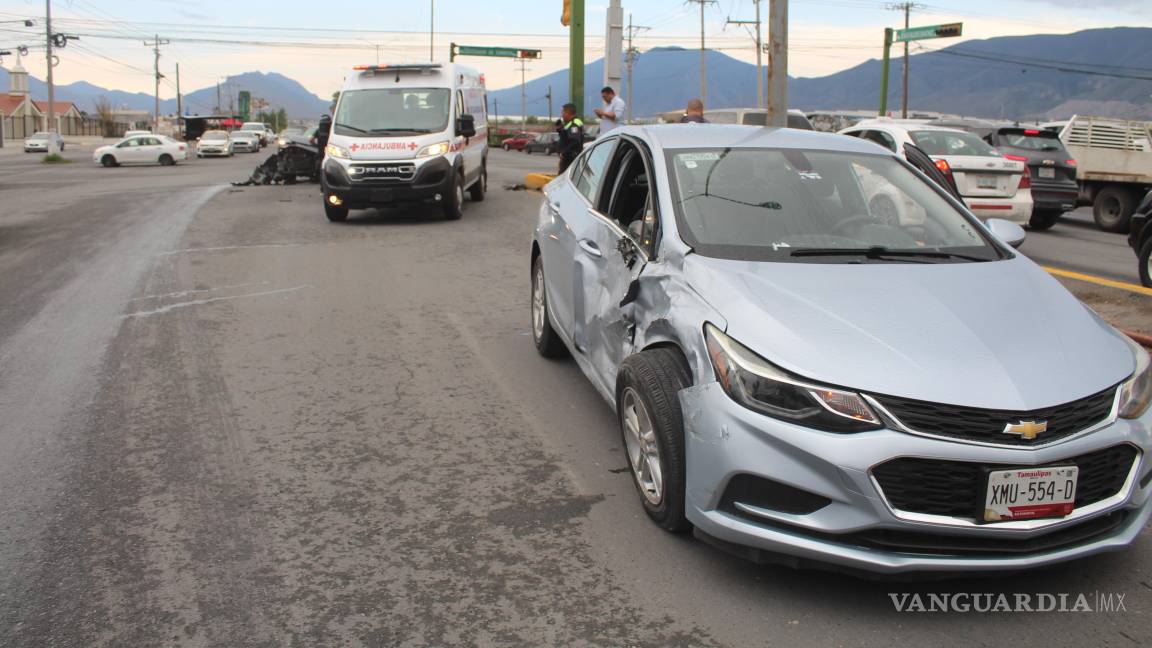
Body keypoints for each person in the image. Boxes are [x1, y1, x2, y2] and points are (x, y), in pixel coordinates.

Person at [555, 103, 584, 173]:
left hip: (570, 158)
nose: (561, 115)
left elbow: (575, 140)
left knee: (563, 179)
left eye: (562, 113)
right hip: (568, 158)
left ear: (567, 113)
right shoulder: (570, 123)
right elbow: (567, 138)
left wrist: (564, 152)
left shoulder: (574, 124)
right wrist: (559, 130)